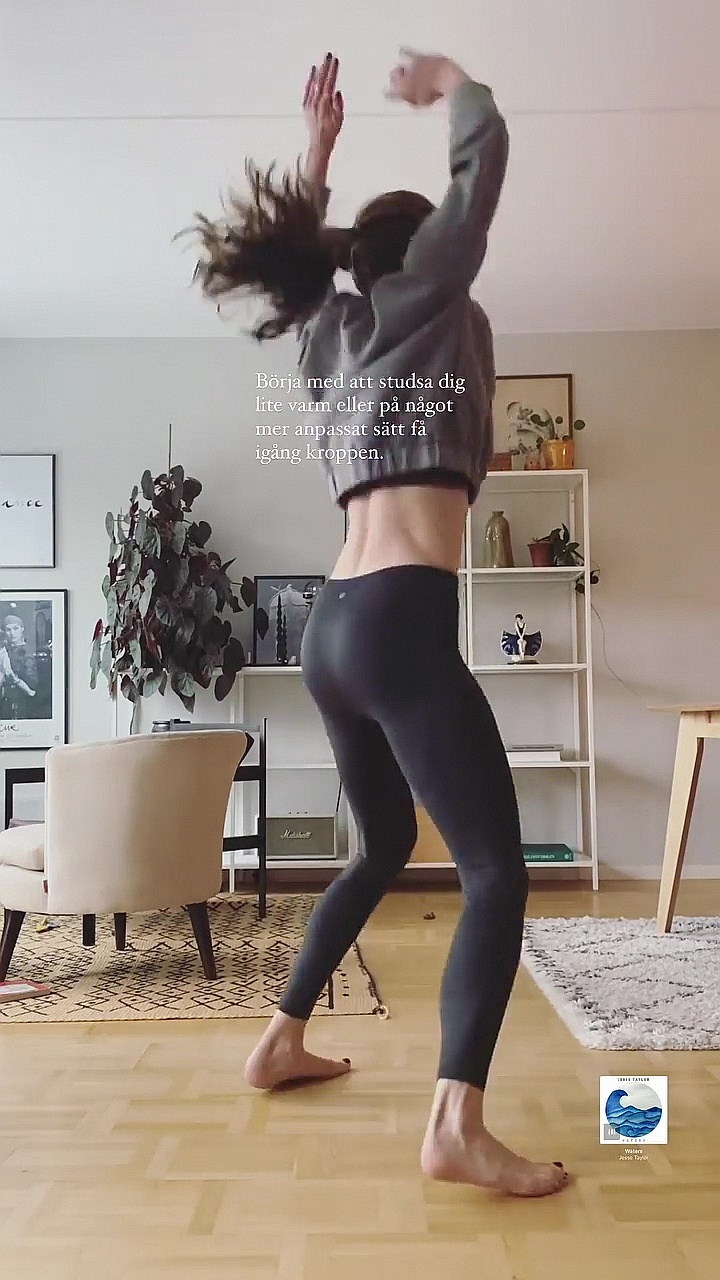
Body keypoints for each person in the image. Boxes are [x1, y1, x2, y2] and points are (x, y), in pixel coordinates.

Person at [183, 48, 568, 1199]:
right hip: (399, 618)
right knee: (495, 873)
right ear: (423, 254)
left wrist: (315, 153)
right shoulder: (432, 297)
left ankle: (279, 1039)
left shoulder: (329, 338)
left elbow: (301, 274)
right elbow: (483, 164)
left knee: (388, 843)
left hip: (332, 627)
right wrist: (456, 86)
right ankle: (455, 1124)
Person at [0, 612, 38, 720]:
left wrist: (13, 677)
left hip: (21, 702)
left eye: (15, 628)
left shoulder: (27, 652)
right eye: (8, 630)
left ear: (22, 629)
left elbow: (33, 685)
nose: (12, 633)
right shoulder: (5, 650)